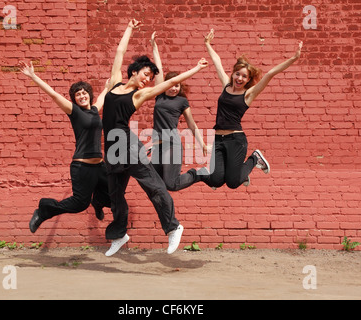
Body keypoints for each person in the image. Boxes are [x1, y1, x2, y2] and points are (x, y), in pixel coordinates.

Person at [102, 19, 208, 256]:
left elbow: (170, 82)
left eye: (150, 77)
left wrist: (196, 69)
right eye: (146, 74)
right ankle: (119, 234)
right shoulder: (114, 84)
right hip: (111, 149)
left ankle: (173, 227)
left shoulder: (138, 96)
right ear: (134, 71)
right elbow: (119, 52)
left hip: (127, 147)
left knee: (153, 186)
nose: (147, 79)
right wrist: (129, 28)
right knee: (115, 195)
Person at [17, 61, 111, 233]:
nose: (82, 96)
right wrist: (33, 76)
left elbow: (102, 97)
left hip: (99, 166)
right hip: (82, 166)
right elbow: (53, 94)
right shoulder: (74, 112)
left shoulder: (95, 110)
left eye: (84, 93)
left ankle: (97, 202)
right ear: (74, 99)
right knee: (79, 204)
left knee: (113, 197)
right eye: (78, 95)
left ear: (89, 95)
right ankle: (44, 209)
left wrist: (107, 87)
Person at [203, 29, 303, 189]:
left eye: (244, 76)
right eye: (237, 74)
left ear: (248, 79)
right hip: (218, 140)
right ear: (233, 74)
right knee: (215, 181)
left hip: (236, 140)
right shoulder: (226, 86)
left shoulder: (248, 94)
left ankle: (255, 159)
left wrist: (293, 58)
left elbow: (270, 73)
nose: (239, 78)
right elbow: (217, 62)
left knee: (232, 183)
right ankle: (241, 173)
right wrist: (207, 44)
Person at [150, 31, 209, 191]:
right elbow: (159, 70)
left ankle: (199, 174)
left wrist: (202, 143)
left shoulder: (182, 101)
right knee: (155, 185)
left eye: (177, 85)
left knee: (171, 184)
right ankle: (166, 216)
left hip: (172, 144)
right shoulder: (158, 96)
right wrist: (154, 46)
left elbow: (191, 124)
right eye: (172, 85)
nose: (174, 88)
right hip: (157, 145)